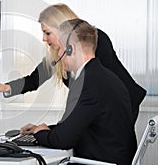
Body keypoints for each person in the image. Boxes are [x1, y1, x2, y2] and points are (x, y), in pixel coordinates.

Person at [0, 3, 146, 125]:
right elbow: (34, 79)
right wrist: (6, 87)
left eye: (47, 33)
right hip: (100, 109)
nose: (43, 39)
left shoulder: (96, 40)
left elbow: (103, 87)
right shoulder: (60, 53)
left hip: (122, 106)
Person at [20, 19, 137, 164]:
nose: (58, 55)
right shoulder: (102, 76)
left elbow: (63, 140)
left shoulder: (87, 83)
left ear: (71, 49)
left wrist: (40, 133)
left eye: (60, 49)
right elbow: (79, 124)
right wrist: (44, 129)